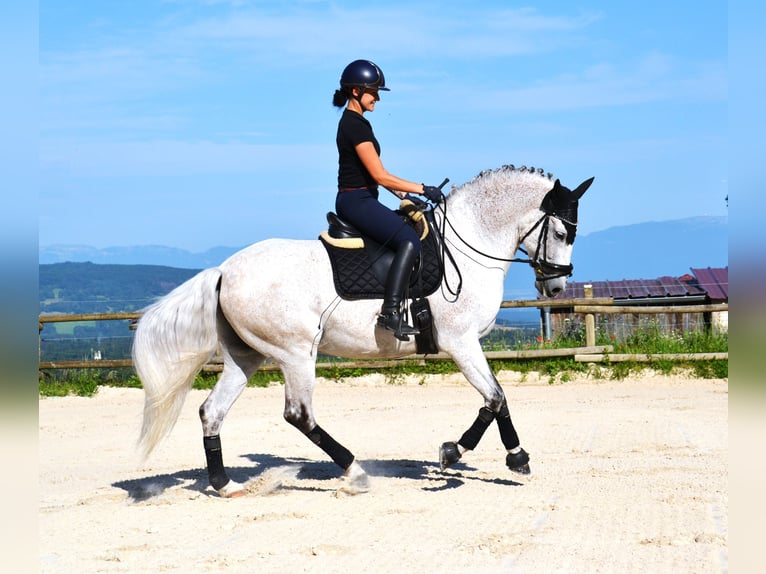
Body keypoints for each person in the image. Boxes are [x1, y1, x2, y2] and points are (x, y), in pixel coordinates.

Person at [332, 59, 443, 342]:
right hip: (356, 200)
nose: (377, 97)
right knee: (408, 240)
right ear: (356, 91)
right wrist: (422, 188)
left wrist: (405, 196)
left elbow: (374, 176)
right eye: (374, 91)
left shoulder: (357, 123)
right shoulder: (354, 126)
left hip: (363, 196)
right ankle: (390, 313)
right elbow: (381, 176)